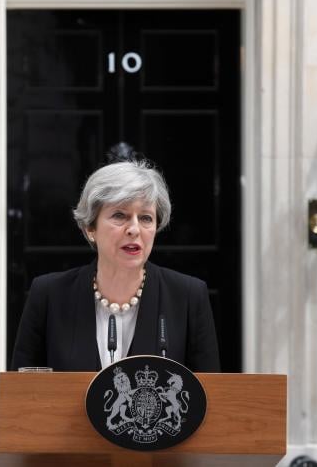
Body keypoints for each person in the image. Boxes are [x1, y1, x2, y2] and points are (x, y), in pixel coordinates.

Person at [11, 159, 220, 372]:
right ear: (90, 227)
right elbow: (22, 395)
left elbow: (212, 397)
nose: (134, 229)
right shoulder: (48, 295)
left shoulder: (188, 296)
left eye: (146, 218)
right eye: (120, 215)